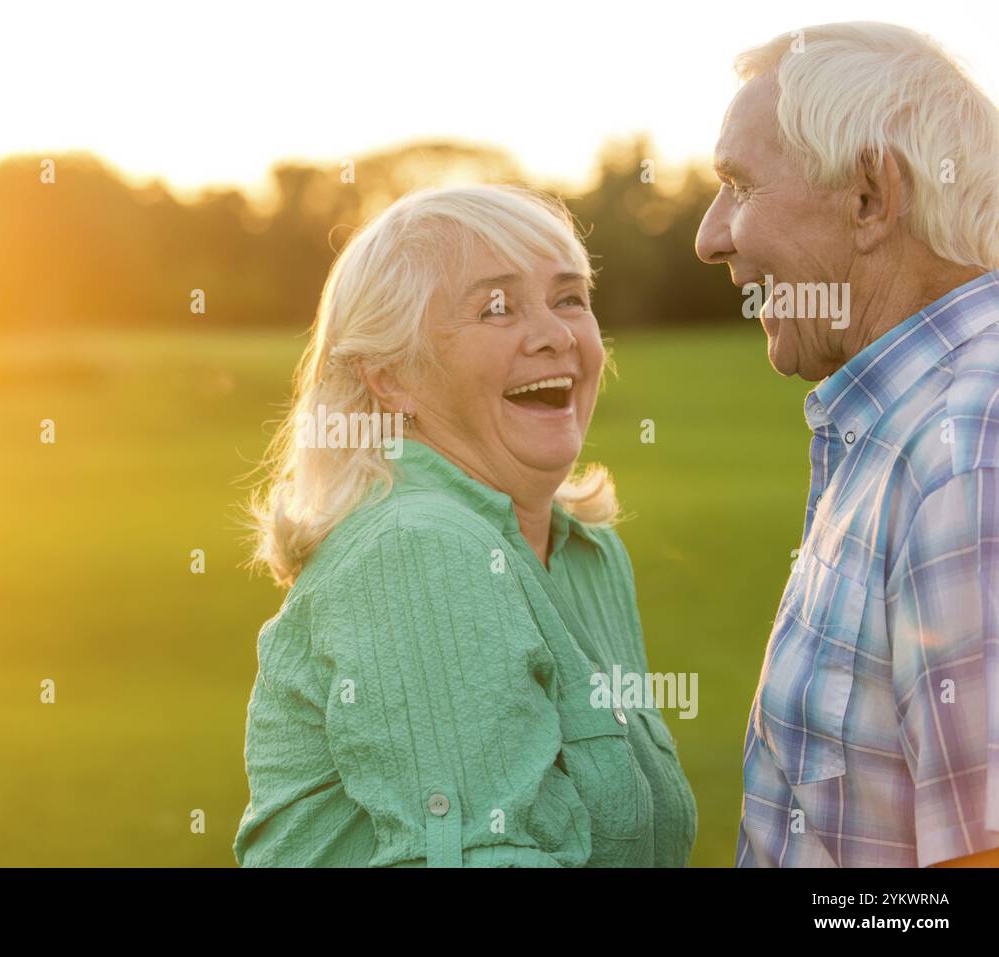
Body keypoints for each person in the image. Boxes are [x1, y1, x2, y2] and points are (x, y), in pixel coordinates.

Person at [233, 183, 696, 866]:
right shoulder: (417, 549)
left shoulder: (588, 553)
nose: (556, 334)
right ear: (390, 376)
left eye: (570, 298)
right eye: (497, 307)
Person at [695, 21, 999, 867]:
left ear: (870, 197)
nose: (709, 237)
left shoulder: (969, 449)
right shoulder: (903, 425)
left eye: (739, 186)